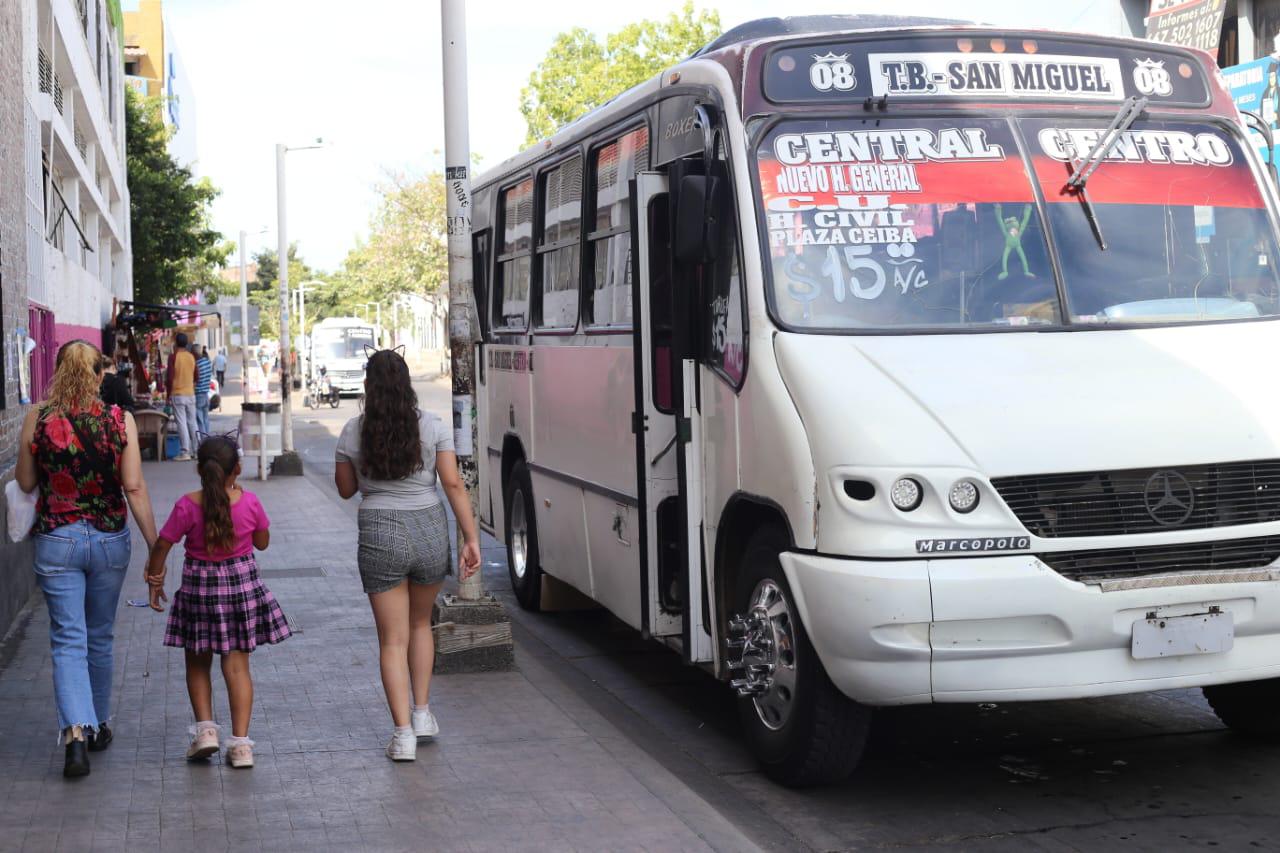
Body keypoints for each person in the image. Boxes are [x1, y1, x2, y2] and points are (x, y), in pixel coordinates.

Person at [14, 340, 160, 778]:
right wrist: (156, 546)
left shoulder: (37, 418)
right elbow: (133, 487)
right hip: (109, 540)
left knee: (67, 639)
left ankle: (75, 735)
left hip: (58, 539)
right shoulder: (120, 420)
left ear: (57, 372)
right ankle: (98, 726)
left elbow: (24, 481)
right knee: (99, 635)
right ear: (100, 376)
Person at [334, 349, 481, 762]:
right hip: (430, 530)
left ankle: (402, 737)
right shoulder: (432, 425)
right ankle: (421, 714)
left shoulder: (352, 431)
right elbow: (452, 484)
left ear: (368, 386)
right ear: (406, 385)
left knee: (391, 639)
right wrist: (470, 537)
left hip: (380, 532)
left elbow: (345, 490)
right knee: (421, 625)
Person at [145, 435, 291, 769]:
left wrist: (155, 579)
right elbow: (263, 543)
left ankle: (206, 731)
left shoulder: (186, 504)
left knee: (197, 662)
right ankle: (241, 746)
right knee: (237, 667)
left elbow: (162, 545)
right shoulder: (249, 502)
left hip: (199, 589)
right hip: (240, 588)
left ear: (199, 469)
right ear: (236, 469)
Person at [165, 333, 198, 461]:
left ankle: (185, 451)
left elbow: (169, 378)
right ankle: (197, 450)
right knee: (192, 422)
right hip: (191, 394)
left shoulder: (173, 357)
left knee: (182, 423)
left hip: (178, 394)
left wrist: (168, 395)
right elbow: (197, 376)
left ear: (175, 343)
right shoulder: (191, 357)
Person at [194, 345, 213, 436]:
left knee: (200, 420)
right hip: (206, 394)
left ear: (194, 354)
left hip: (198, 395)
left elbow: (195, 381)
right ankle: (207, 438)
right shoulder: (208, 362)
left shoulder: (196, 365)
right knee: (206, 419)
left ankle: (203, 441)